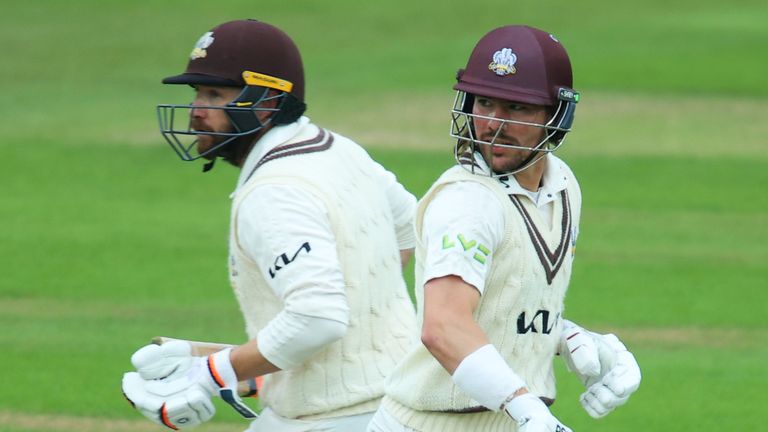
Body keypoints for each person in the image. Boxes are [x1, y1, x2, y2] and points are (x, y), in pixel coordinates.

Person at [121, 19, 417, 431]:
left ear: (266, 103)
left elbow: (318, 318)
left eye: (214, 95)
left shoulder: (273, 192)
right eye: (196, 93)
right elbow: (409, 225)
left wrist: (210, 374)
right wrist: (256, 367)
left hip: (333, 417)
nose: (196, 111)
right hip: (399, 405)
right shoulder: (340, 150)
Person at [367, 25, 641, 432]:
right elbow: (443, 326)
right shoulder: (468, 203)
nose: (493, 124)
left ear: (557, 115)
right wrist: (528, 409)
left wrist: (569, 338)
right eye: (484, 102)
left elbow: (504, 304)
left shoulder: (563, 186)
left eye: (516, 108)